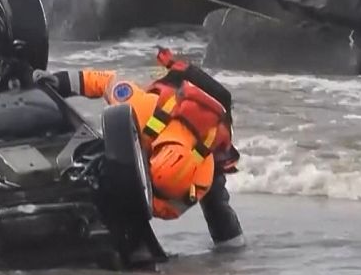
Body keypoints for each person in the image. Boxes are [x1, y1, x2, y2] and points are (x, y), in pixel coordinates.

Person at [35, 48, 246, 249]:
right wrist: (60, 81)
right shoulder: (142, 108)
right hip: (172, 101)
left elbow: (164, 211)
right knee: (109, 158)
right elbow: (105, 81)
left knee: (217, 205)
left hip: (209, 129)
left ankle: (233, 247)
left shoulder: (204, 175)